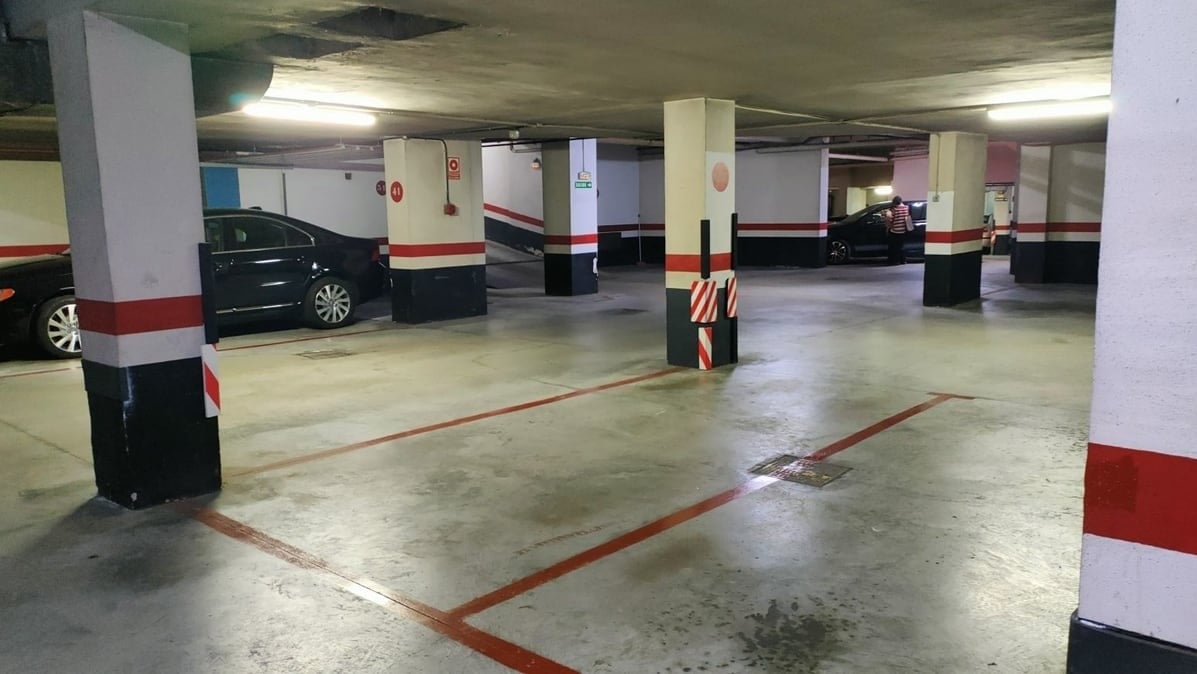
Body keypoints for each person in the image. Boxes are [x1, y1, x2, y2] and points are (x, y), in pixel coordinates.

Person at [884, 195, 912, 265]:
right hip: (903, 230)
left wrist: (887, 215)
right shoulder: (906, 208)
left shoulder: (894, 209)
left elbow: (890, 219)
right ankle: (903, 260)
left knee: (893, 247)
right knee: (901, 246)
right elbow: (907, 218)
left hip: (894, 231)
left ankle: (895, 261)